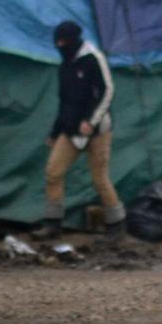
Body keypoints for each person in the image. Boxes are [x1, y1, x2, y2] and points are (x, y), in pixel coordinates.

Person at [41, 19, 123, 237]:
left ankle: (116, 223)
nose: (60, 47)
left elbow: (108, 91)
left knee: (99, 178)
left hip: (98, 131)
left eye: (63, 43)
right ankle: (53, 223)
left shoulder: (93, 58)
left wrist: (91, 121)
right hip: (70, 130)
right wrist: (55, 132)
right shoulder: (65, 66)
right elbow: (64, 102)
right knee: (53, 172)